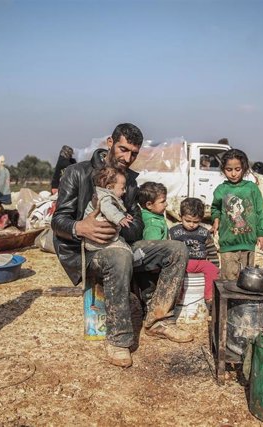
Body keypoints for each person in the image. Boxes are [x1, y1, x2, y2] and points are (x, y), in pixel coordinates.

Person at [51, 123, 192, 368]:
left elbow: (136, 226)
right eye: (123, 149)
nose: (127, 158)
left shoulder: (130, 182)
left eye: (134, 153)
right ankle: (119, 340)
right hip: (87, 252)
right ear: (110, 143)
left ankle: (158, 320)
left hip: (122, 244)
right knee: (119, 257)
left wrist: (120, 220)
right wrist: (80, 227)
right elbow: (57, 220)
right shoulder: (76, 173)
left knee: (177, 250)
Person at [211, 149, 263, 280]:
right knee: (228, 281)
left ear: (244, 168)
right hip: (228, 244)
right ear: (223, 169)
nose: (233, 173)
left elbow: (259, 212)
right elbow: (215, 209)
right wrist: (216, 220)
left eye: (237, 169)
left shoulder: (252, 188)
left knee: (246, 279)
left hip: (248, 243)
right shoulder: (221, 190)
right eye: (229, 169)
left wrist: (261, 234)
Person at [169, 198, 220, 308]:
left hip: (200, 263)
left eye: (196, 222)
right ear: (180, 216)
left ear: (201, 219)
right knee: (178, 273)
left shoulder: (204, 232)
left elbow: (211, 249)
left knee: (212, 270)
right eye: (188, 221)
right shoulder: (174, 232)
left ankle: (209, 297)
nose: (191, 224)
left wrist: (215, 265)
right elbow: (169, 249)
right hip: (183, 263)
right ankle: (178, 297)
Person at [83, 166, 133, 252]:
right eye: (122, 188)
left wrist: (124, 215)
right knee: (122, 248)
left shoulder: (109, 197)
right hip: (96, 238)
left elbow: (114, 209)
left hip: (101, 237)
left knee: (123, 243)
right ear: (109, 188)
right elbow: (108, 208)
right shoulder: (104, 197)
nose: (125, 191)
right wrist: (119, 218)